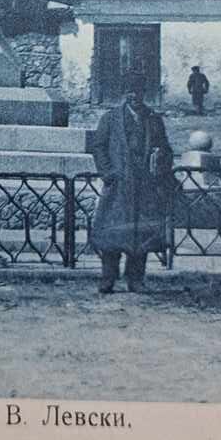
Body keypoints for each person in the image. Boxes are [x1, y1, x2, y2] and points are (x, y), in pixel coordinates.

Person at [88, 66, 173, 294]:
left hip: (145, 187)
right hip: (118, 185)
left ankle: (136, 279)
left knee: (141, 235)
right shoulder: (111, 119)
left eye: (137, 91)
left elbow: (165, 149)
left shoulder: (154, 120)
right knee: (113, 234)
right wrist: (107, 173)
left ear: (143, 92)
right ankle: (108, 278)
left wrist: (160, 162)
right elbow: (98, 147)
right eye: (129, 91)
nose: (133, 95)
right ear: (124, 93)